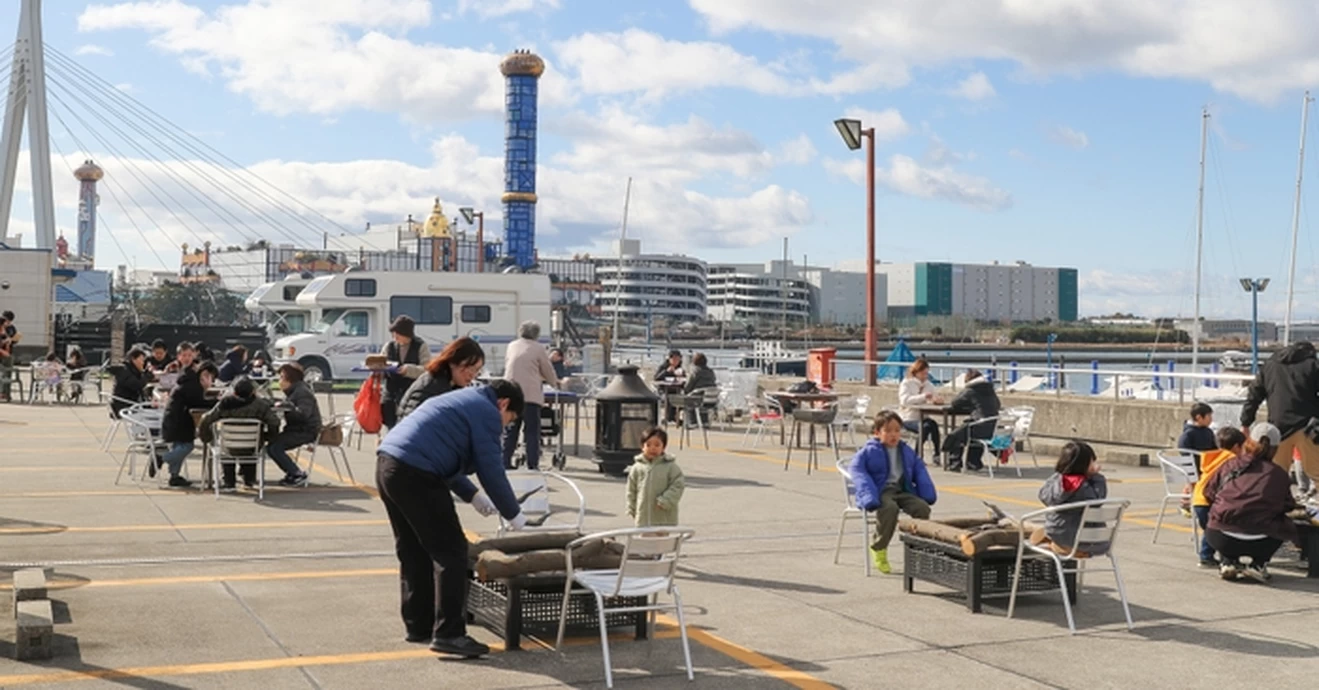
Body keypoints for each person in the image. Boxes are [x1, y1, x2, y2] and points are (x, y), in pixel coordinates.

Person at [376, 380, 531, 658]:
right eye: (510, 420)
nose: (506, 426)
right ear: (504, 403)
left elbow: (440, 453)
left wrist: (472, 495)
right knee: (451, 551)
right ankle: (450, 634)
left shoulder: (463, 400)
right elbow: (491, 468)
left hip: (389, 465)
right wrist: (514, 514)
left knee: (414, 549)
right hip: (416, 474)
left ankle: (419, 625)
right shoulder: (486, 411)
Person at [1205, 422, 1296, 583]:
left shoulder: (1230, 465)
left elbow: (1209, 493)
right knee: (1285, 522)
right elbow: (1288, 505)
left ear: (1249, 442)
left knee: (1217, 513)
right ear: (1276, 448)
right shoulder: (1279, 474)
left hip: (1220, 536)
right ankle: (1258, 564)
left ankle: (1227, 561)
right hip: (1261, 539)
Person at [849, 411, 937, 574]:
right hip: (881, 491)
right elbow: (857, 470)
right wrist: (868, 495)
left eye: (897, 430)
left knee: (922, 508)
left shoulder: (905, 450)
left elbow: (919, 468)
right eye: (888, 431)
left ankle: (917, 549)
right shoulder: (869, 451)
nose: (894, 435)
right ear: (877, 432)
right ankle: (879, 547)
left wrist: (927, 492)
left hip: (902, 490)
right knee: (889, 508)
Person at [1240, 341, 1319, 484]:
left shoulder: (1270, 365)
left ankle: (1277, 504)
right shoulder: (1313, 365)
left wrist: (1245, 422)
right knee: (1316, 472)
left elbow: (1254, 394)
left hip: (1277, 427)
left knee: (1276, 473)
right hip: (1308, 426)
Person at [198, 376, 281, 491]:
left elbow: (205, 419)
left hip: (228, 446)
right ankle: (249, 480)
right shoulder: (260, 405)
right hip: (252, 446)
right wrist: (269, 437)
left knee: (226, 447)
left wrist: (206, 437)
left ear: (235, 392)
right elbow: (275, 422)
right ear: (253, 391)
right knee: (251, 447)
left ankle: (229, 482)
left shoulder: (226, 403)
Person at [501, 321, 558, 470]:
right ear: (536, 334)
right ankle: (532, 464)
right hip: (530, 395)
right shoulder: (538, 348)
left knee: (511, 429)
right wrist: (554, 382)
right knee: (532, 431)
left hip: (511, 393)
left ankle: (505, 461)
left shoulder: (512, 346)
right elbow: (547, 369)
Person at [1036, 441, 1109, 555]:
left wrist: (1059, 474)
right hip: (1092, 540)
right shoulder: (1086, 487)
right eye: (1092, 461)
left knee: (1053, 525)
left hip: (1060, 533)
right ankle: (1054, 544)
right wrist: (1097, 477)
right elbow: (1097, 500)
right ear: (1084, 465)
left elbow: (1043, 495)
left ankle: (1051, 541)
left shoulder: (1059, 481)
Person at [1192, 426, 1247, 567]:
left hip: (1198, 498)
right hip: (1209, 499)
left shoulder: (1213, 457)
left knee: (1211, 528)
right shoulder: (1232, 460)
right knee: (1219, 528)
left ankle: (1207, 556)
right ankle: (1218, 558)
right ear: (1236, 446)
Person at [159, 361, 220, 489]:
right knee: (187, 446)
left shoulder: (188, 380)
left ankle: (174, 476)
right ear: (204, 374)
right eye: (211, 377)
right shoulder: (193, 385)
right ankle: (161, 458)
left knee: (179, 446)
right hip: (178, 421)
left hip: (174, 419)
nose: (211, 381)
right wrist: (216, 402)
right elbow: (198, 402)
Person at [398, 337, 484, 421]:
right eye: (470, 368)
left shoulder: (452, 386)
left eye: (477, 370)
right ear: (452, 362)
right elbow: (413, 426)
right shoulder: (431, 387)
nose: (472, 375)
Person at [267, 363, 319, 487]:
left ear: (290, 379)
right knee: (271, 447)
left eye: (281, 377)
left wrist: (287, 407)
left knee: (276, 447)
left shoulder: (302, 392)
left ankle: (297, 474)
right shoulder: (293, 391)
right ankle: (291, 472)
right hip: (295, 429)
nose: (279, 381)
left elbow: (303, 414)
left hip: (306, 431)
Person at [942, 369, 1001, 471]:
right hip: (992, 428)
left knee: (957, 435)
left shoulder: (971, 390)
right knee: (969, 429)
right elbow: (998, 404)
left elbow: (955, 403)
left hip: (979, 426)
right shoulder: (990, 390)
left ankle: (955, 462)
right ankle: (973, 462)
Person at [626, 427, 686, 528]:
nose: (652, 448)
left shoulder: (670, 466)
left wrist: (666, 500)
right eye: (648, 445)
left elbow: (678, 485)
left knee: (663, 542)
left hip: (664, 518)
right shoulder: (637, 468)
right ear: (642, 447)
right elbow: (631, 490)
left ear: (663, 447)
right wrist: (631, 507)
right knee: (646, 542)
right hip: (643, 517)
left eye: (657, 445)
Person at [380, 316, 430, 429]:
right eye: (393, 334)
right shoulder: (389, 346)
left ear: (407, 333)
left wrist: (409, 370)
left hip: (411, 394)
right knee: (390, 425)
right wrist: (378, 371)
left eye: (397, 334)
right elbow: (381, 363)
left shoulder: (420, 346)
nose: (394, 337)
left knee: (409, 426)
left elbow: (427, 369)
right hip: (390, 394)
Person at [898, 356, 943, 458]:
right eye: (923, 373)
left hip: (924, 417)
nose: (925, 376)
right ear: (916, 372)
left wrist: (936, 401)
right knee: (924, 427)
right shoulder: (906, 383)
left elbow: (934, 397)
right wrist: (922, 397)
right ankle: (917, 455)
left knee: (934, 425)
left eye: (926, 373)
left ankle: (937, 454)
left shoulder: (929, 385)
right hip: (908, 417)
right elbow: (904, 400)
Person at [107, 347, 153, 417]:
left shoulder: (131, 370)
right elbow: (138, 385)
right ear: (133, 359)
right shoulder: (124, 371)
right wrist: (146, 376)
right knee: (154, 413)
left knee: (153, 407)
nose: (143, 363)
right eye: (141, 360)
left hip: (128, 404)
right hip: (124, 407)